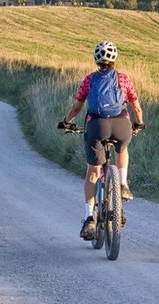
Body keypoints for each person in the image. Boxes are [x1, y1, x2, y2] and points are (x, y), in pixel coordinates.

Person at [58, 41, 145, 241]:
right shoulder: (123, 79)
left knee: (93, 170)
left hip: (97, 126)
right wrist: (139, 123)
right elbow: (136, 107)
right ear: (114, 59)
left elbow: (77, 108)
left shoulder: (89, 80)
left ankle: (89, 217)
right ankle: (122, 184)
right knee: (121, 149)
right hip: (121, 125)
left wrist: (66, 122)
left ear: (96, 59)